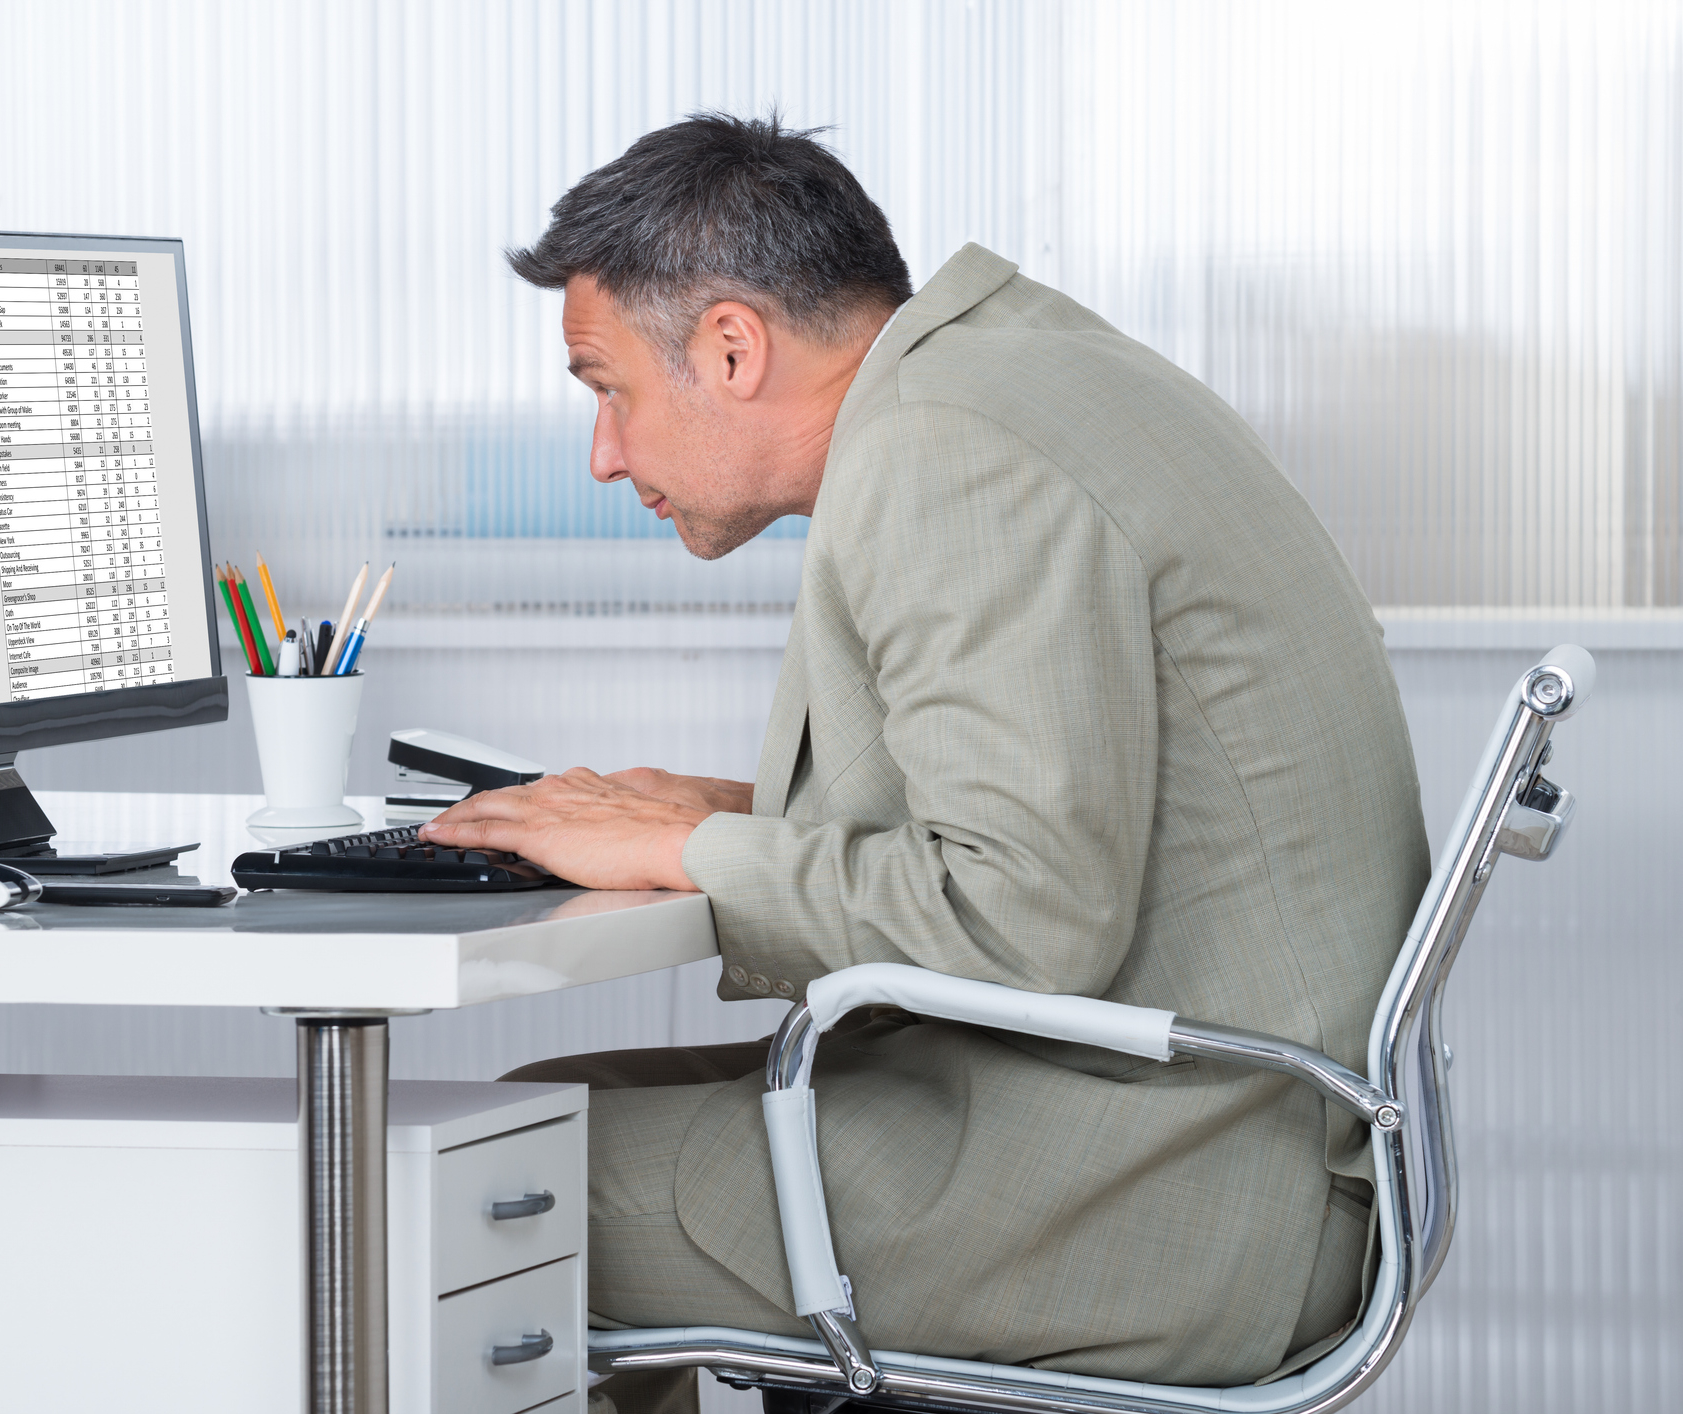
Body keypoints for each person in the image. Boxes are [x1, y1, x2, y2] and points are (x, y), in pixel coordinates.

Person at [420, 113, 1428, 1414]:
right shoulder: (1018, 370)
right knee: (533, 1121)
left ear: (732, 346)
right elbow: (1082, 789)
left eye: (607, 389)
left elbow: (1021, 913)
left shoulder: (947, 451)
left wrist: (681, 850)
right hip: (1241, 1133)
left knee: (475, 1187)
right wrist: (720, 808)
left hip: (1160, 1195)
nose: (604, 454)